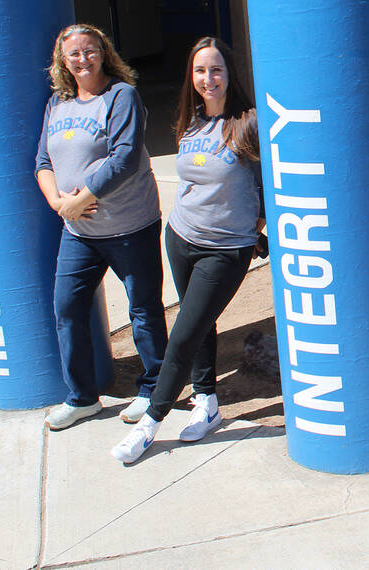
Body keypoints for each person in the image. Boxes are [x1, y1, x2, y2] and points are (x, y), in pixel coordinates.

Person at [111, 38, 266, 463]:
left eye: (216, 70)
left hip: (226, 247)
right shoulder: (191, 120)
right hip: (180, 237)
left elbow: (274, 178)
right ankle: (207, 401)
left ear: (230, 74)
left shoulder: (249, 124)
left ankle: (151, 424)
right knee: (201, 326)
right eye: (200, 71)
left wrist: (261, 220)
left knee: (182, 334)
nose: (208, 79)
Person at [35, 23, 166, 430]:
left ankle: (153, 390)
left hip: (130, 227)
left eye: (89, 51)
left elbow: (125, 158)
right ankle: (82, 398)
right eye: (73, 54)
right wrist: (60, 204)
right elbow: (43, 160)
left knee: (143, 310)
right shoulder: (58, 102)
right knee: (67, 310)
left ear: (103, 53)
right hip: (79, 233)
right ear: (63, 61)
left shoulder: (120, 95)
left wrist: (80, 199)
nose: (82, 59)